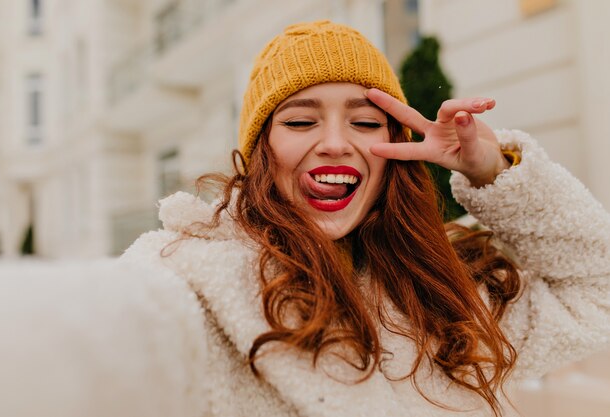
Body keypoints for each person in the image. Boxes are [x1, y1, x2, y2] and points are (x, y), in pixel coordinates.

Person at [121, 20, 610, 417]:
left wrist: (492, 171)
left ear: (395, 150)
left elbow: (597, 288)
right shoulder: (181, 279)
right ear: (260, 150)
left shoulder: (450, 296)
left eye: (365, 122)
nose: (336, 143)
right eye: (299, 121)